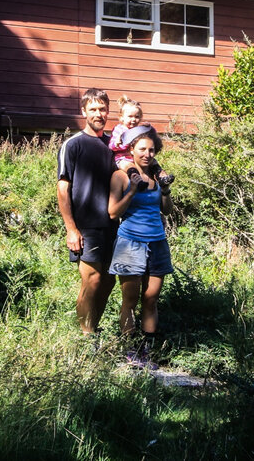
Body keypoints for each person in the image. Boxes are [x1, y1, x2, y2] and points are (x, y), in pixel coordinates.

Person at [107, 124, 174, 368]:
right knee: (130, 301)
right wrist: (132, 190)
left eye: (152, 149)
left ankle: (148, 350)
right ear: (132, 150)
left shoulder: (157, 176)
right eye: (142, 149)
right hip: (130, 243)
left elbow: (165, 210)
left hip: (157, 243)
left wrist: (165, 191)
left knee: (152, 299)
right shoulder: (121, 176)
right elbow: (113, 212)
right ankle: (129, 350)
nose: (148, 154)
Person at [58, 88, 118, 336]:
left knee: (108, 281)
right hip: (86, 227)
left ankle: (94, 327)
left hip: (114, 225)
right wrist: (71, 229)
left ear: (107, 111)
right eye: (93, 109)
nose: (98, 113)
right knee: (91, 280)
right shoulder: (72, 145)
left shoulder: (115, 144)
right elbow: (63, 189)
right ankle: (85, 336)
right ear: (83, 112)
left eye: (102, 109)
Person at [108, 96, 174, 190]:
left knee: (154, 162)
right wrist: (117, 143)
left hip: (138, 158)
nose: (134, 120)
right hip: (123, 158)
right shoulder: (119, 130)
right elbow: (111, 146)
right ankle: (139, 182)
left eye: (137, 117)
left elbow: (152, 139)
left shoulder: (139, 130)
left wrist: (149, 128)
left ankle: (162, 177)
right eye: (130, 117)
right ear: (122, 117)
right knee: (129, 166)